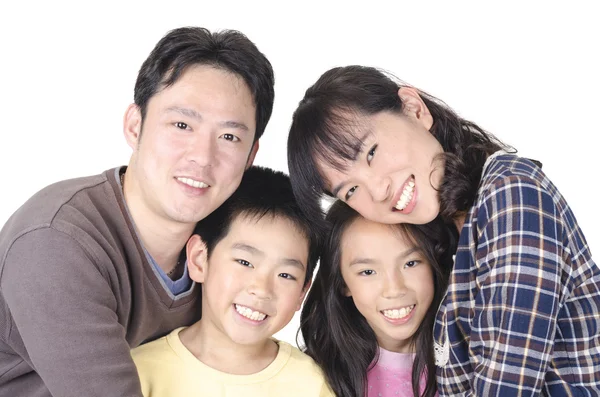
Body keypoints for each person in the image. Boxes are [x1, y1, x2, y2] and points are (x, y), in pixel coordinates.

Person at [287, 65, 600, 396]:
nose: (377, 191)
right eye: (350, 190)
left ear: (414, 109)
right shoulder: (454, 241)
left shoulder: (511, 193)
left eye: (371, 153)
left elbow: (507, 385)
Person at [0, 27, 274, 396]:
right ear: (135, 125)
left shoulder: (227, 241)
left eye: (229, 137)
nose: (202, 157)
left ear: (251, 157)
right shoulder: (56, 243)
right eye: (182, 125)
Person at [131, 166, 332, 396]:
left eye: (285, 275)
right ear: (199, 259)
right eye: (245, 262)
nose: (261, 289)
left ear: (302, 293)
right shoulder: (139, 371)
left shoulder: (311, 385)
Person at [301, 200, 454, 397]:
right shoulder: (317, 377)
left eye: (410, 263)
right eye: (368, 272)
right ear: (343, 283)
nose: (394, 289)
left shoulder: (469, 356)